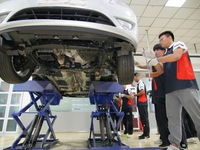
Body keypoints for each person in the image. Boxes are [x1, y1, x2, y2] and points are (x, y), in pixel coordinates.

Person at [148, 30, 200, 150]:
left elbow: (176, 56)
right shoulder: (165, 56)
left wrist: (158, 59)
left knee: (196, 115)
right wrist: (152, 59)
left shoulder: (178, 45)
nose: (160, 42)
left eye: (162, 39)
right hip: (170, 90)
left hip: (185, 85)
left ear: (169, 37)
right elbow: (159, 71)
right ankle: (175, 144)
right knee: (172, 118)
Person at [137, 44, 170, 147]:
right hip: (156, 93)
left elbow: (160, 71)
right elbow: (147, 67)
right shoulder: (154, 61)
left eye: (158, 50)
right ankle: (163, 137)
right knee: (159, 118)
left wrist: (146, 74)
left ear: (164, 51)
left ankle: (166, 140)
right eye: (155, 50)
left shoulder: (163, 61)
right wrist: (136, 64)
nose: (156, 51)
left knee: (164, 118)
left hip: (162, 92)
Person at [133, 73, 150, 139]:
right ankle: (145, 133)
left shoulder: (141, 83)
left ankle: (146, 134)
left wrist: (134, 95)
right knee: (143, 119)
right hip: (141, 103)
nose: (134, 79)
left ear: (137, 77)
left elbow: (142, 92)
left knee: (144, 118)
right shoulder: (139, 84)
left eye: (134, 77)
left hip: (142, 103)